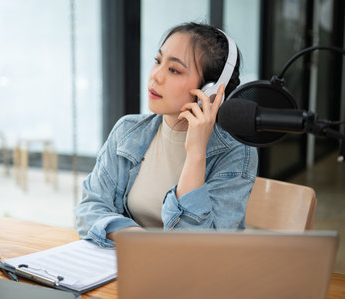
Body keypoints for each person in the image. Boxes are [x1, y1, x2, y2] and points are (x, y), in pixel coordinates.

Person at [75, 22, 258, 248]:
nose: (156, 76)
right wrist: (140, 239)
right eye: (158, 61)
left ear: (211, 90)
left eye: (174, 70)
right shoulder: (128, 131)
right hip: (129, 267)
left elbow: (197, 249)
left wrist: (196, 154)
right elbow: (89, 209)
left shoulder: (237, 154)